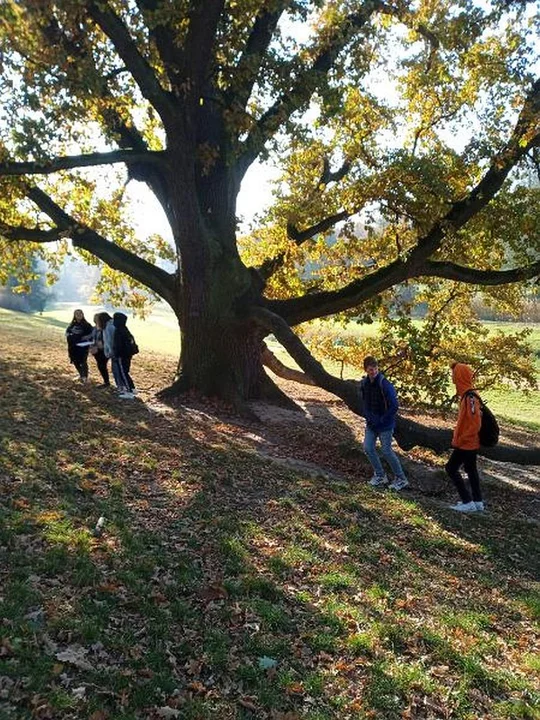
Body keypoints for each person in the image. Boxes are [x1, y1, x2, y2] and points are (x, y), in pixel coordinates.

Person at [359, 355, 409, 490]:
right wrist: (369, 417)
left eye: (375, 368)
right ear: (366, 370)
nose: (373, 371)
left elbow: (394, 406)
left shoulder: (385, 384)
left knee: (386, 450)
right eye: (370, 369)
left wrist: (382, 419)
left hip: (385, 424)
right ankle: (380, 475)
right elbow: (365, 403)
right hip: (372, 424)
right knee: (368, 448)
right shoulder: (364, 384)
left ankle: (401, 478)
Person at [445, 363, 484, 513]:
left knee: (450, 468)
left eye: (454, 374)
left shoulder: (470, 397)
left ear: (459, 376)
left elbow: (475, 424)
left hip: (466, 443)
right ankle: (477, 501)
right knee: (471, 469)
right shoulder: (468, 395)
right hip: (469, 443)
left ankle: (467, 501)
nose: (453, 378)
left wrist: (461, 439)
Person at [111, 312, 137, 399]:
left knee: (123, 373)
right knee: (125, 372)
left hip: (122, 356)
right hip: (127, 355)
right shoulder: (125, 329)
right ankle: (132, 388)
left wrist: (116, 354)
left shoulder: (119, 331)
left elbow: (118, 345)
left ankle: (129, 392)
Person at [65, 309, 93, 383]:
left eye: (80, 313)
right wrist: (70, 336)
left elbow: (91, 334)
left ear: (83, 314)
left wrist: (86, 337)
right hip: (73, 347)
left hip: (83, 347)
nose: (78, 315)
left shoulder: (87, 325)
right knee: (75, 361)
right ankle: (81, 375)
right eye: (76, 314)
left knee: (83, 361)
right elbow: (67, 333)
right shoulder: (72, 325)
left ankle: (85, 377)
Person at [89, 312, 111, 387]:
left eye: (97, 319)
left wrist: (101, 345)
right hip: (96, 351)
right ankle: (106, 381)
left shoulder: (104, 329)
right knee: (100, 366)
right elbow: (93, 338)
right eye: (95, 318)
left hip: (103, 350)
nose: (95, 320)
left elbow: (107, 340)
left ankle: (107, 382)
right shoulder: (94, 328)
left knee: (102, 365)